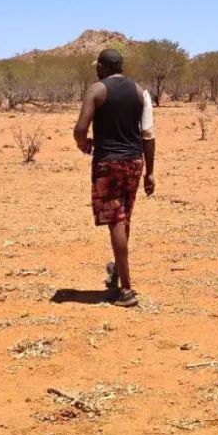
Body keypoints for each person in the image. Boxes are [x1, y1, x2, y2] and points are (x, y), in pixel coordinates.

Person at [73, 49, 156, 308]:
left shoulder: (96, 90)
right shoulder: (140, 91)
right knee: (124, 218)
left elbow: (79, 130)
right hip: (134, 162)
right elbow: (148, 135)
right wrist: (150, 172)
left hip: (108, 162)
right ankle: (118, 273)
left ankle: (126, 290)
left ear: (102, 68)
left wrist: (85, 145)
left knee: (115, 221)